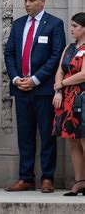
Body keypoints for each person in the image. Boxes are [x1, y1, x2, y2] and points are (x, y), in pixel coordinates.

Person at [4, 0, 66, 193]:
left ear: (43, 1)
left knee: (47, 135)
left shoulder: (55, 24)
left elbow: (56, 56)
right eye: (25, 0)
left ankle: (47, 178)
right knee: (25, 135)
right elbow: (10, 54)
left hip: (43, 90)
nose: (27, 4)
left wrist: (36, 79)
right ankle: (26, 178)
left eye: (31, 0)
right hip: (21, 89)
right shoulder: (18, 24)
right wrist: (15, 79)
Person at [51, 12, 85, 196]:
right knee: (73, 141)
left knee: (84, 139)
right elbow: (60, 70)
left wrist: (62, 84)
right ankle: (79, 181)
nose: (71, 29)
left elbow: (84, 74)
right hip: (67, 98)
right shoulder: (69, 48)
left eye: (75, 26)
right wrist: (58, 90)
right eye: (71, 26)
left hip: (82, 97)